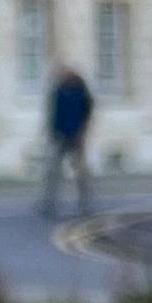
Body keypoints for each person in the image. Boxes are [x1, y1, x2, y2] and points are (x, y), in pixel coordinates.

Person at [39, 65, 96, 219]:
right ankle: (48, 203)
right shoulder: (59, 91)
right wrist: (52, 133)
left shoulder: (81, 92)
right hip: (61, 136)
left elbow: (87, 113)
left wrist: (83, 132)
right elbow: (54, 114)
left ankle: (85, 205)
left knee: (80, 173)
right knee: (53, 171)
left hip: (76, 136)